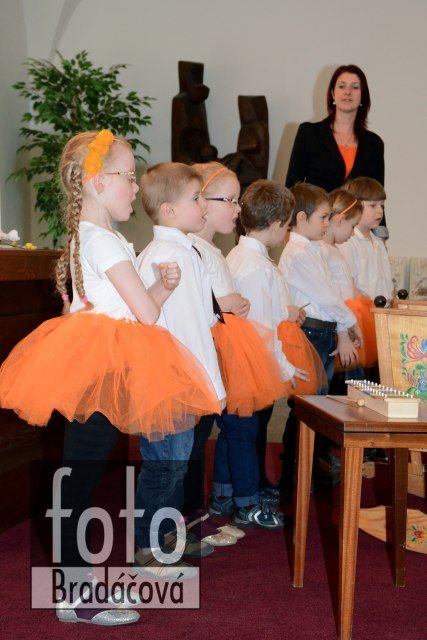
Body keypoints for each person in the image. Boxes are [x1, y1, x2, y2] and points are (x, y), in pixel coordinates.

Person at [0, 130, 220, 625]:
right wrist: (157, 293)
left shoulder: (97, 236)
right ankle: (76, 593)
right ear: (98, 182)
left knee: (80, 475)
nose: (135, 187)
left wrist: (160, 289)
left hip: (97, 359)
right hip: (102, 364)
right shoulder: (103, 241)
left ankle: (76, 586)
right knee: (79, 479)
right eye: (128, 176)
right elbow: (146, 315)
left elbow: (118, 307)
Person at [135, 163, 227, 569]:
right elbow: (178, 326)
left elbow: (199, 318)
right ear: (169, 210)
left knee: (178, 461)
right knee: (164, 465)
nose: (203, 204)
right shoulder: (165, 255)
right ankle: (147, 545)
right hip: (171, 376)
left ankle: (169, 534)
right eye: (196, 198)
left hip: (185, 374)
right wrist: (205, 380)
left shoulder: (185, 250)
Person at [190, 163, 290, 531]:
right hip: (240, 357)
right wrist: (277, 363)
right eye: (230, 200)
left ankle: (224, 494)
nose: (237, 209)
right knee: (242, 433)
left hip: (235, 355)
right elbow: (256, 323)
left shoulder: (229, 254)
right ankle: (245, 502)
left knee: (235, 432)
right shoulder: (247, 263)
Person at [226, 180, 317, 499]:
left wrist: (285, 310)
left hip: (250, 358)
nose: (288, 231)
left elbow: (264, 308)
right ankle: (246, 498)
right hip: (253, 360)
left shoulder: (244, 256)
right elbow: (262, 327)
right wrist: (284, 367)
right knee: (245, 431)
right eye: (288, 225)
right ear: (277, 224)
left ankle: (243, 490)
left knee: (247, 428)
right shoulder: (255, 266)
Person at [278, 183, 363, 493]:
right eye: (323, 217)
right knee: (306, 407)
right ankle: (294, 479)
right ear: (301, 218)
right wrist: (351, 322)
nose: (327, 224)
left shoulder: (313, 249)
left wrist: (342, 327)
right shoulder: (298, 253)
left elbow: (331, 296)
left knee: (317, 405)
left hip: (322, 331)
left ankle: (309, 471)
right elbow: (326, 297)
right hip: (310, 332)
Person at [285, 64, 386, 228]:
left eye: (355, 87)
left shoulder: (374, 144)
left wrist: (381, 232)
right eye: (341, 86)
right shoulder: (308, 133)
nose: (348, 92)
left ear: (363, 96)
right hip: (315, 227)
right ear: (332, 93)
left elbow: (377, 196)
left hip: (356, 229)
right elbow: (292, 187)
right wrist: (289, 227)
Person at [338, 177, 393, 301]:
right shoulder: (347, 243)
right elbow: (348, 286)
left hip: (382, 310)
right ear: (355, 206)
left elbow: (388, 283)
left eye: (382, 205)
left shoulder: (379, 243)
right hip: (362, 309)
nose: (380, 211)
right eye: (373, 205)